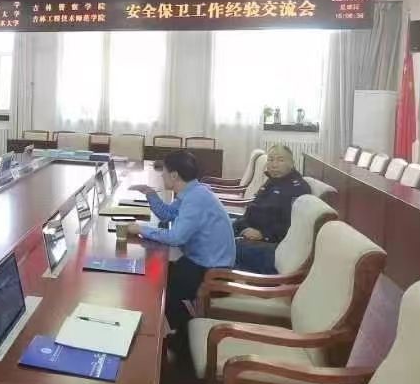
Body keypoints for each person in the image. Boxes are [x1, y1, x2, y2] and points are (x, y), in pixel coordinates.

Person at [127, 151, 235, 361]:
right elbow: (168, 214)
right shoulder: (193, 191)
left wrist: (141, 229)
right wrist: (150, 193)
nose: (162, 176)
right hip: (203, 260)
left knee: (160, 288)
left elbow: (176, 237)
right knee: (157, 275)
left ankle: (185, 339)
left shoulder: (195, 199)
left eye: (164, 172)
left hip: (212, 271)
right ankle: (182, 334)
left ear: (174, 175)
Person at [232, 145, 311, 274]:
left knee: (223, 245)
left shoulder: (298, 189)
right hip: (249, 232)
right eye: (271, 159)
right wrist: (243, 226)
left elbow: (292, 226)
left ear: (292, 163)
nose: (274, 164)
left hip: (272, 245)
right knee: (214, 230)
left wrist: (264, 235)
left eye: (280, 160)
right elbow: (252, 210)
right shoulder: (271, 182)